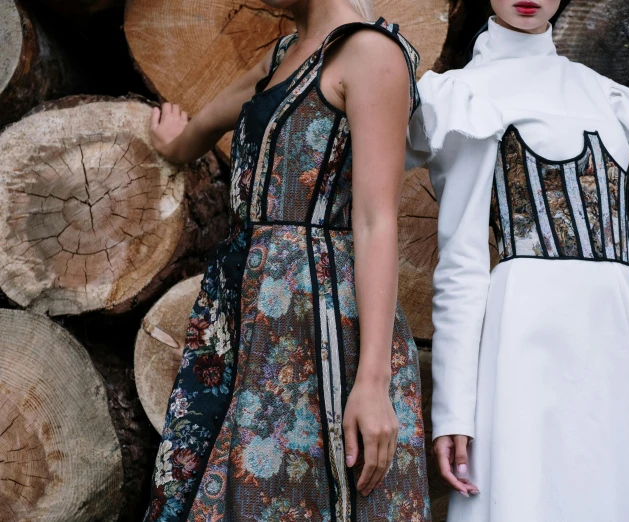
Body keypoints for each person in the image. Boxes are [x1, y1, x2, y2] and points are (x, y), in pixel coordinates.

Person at [407, 1, 629, 521]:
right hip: (528, 341)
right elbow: (462, 260)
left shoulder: (599, 91)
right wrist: (454, 410)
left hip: (617, 333)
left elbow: (602, 246)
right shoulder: (466, 95)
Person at [143, 0, 431, 520]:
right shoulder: (280, 55)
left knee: (304, 495)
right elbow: (197, 131)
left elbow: (374, 220)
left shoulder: (370, 53)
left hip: (319, 325)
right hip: (243, 314)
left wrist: (372, 382)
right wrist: (175, 140)